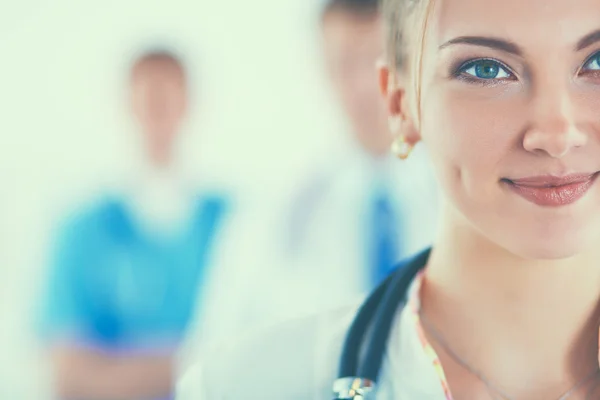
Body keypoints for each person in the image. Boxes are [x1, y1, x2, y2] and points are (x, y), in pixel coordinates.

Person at [177, 0, 600, 397]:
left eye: (597, 62)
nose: (557, 135)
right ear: (399, 102)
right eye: (487, 69)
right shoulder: (239, 382)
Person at [38, 48, 230, 400]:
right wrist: (197, 358)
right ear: (128, 106)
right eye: (147, 101)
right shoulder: (83, 231)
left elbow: (257, 353)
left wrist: (117, 367)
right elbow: (68, 378)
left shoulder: (231, 224)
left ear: (187, 105)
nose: (157, 116)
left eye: (167, 101)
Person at [281, 0, 438, 311]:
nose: (366, 86)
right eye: (345, 63)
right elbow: (217, 346)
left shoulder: (462, 195)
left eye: (379, 60)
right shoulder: (281, 215)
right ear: (324, 68)